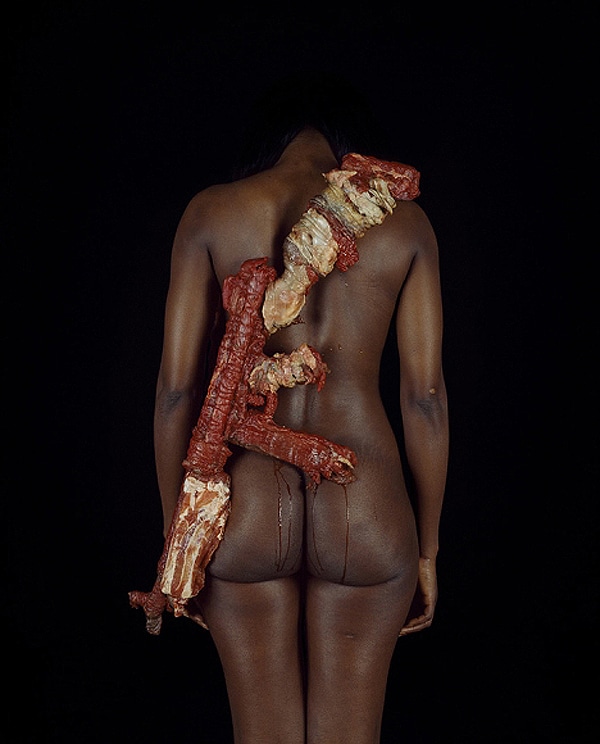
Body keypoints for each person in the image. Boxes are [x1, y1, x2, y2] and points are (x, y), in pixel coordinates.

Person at [152, 76, 449, 743]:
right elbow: (424, 399)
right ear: (352, 145)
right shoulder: (406, 224)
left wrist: (180, 546)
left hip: (245, 504)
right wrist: (428, 551)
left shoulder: (210, 212)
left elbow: (175, 392)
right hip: (364, 499)